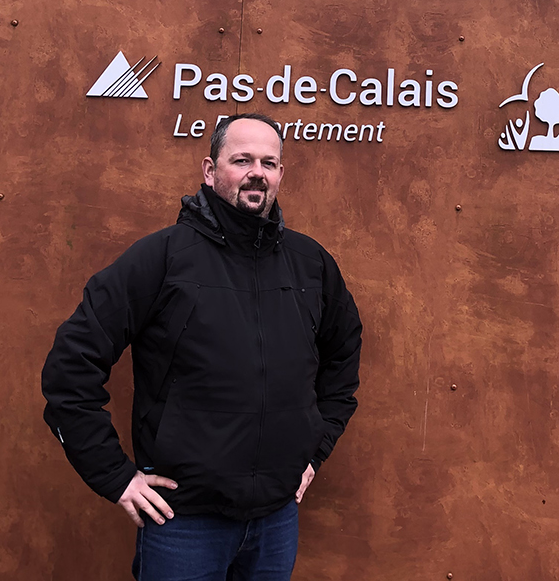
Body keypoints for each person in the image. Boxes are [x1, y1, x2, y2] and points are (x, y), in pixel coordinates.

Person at [41, 113, 362, 581]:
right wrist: (115, 475)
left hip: (275, 520)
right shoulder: (162, 257)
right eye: (242, 160)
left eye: (269, 162)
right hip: (183, 522)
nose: (257, 171)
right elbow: (71, 367)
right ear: (210, 171)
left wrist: (314, 450)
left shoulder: (310, 263)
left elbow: (343, 355)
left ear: (280, 175)